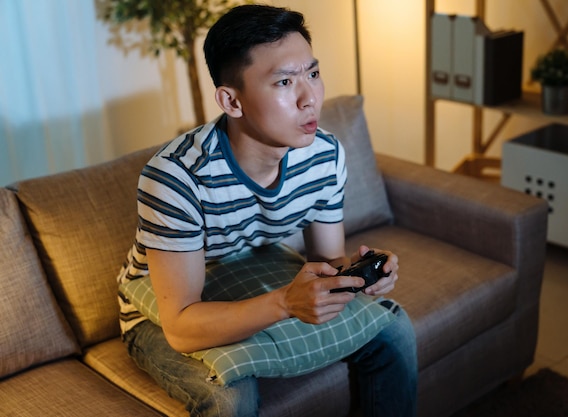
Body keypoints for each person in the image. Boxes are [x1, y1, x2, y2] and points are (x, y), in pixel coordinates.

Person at [117, 4, 417, 417]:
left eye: (312, 74)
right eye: (284, 81)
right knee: (230, 395)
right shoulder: (175, 178)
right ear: (232, 101)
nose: (309, 97)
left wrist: (359, 279)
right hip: (161, 308)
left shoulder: (325, 155)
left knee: (392, 330)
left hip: (255, 266)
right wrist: (284, 304)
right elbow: (181, 327)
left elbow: (326, 261)